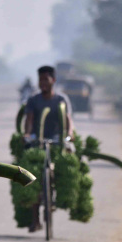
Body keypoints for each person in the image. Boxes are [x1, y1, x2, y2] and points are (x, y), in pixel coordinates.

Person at [23, 65, 75, 232]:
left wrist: (70, 134)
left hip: (57, 141)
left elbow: (68, 120)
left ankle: (55, 200)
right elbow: (29, 121)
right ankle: (35, 218)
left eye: (46, 79)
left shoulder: (61, 100)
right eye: (40, 80)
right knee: (32, 176)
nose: (42, 83)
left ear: (53, 80)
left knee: (66, 166)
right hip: (38, 141)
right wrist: (27, 135)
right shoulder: (33, 100)